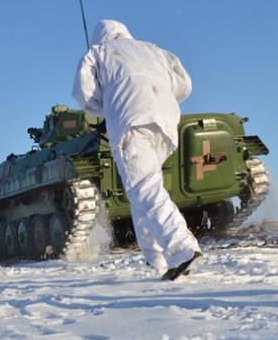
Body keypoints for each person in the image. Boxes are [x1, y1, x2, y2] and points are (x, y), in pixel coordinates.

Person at [73, 20, 201, 280]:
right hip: (165, 122)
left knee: (144, 187)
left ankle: (182, 248)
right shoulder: (154, 49)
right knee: (141, 191)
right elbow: (185, 85)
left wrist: (106, 108)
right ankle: (156, 259)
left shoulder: (98, 53)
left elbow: (84, 94)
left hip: (131, 121)